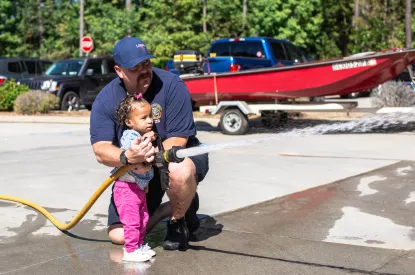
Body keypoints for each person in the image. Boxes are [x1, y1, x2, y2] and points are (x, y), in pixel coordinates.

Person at [90, 36, 209, 251]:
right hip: (137, 169)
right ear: (119, 71)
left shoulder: (172, 85)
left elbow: (177, 141)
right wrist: (127, 157)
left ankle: (177, 221)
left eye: (146, 63)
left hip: (177, 157)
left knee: (178, 172)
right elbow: (101, 150)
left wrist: (150, 153)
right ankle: (170, 208)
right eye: (135, 67)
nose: (144, 69)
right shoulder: (106, 99)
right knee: (120, 236)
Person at [111, 93, 156, 262]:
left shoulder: (141, 135)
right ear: (129, 122)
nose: (150, 120)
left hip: (137, 188)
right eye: (144, 117)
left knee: (143, 218)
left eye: (150, 116)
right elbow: (131, 151)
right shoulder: (130, 136)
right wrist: (145, 140)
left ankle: (138, 245)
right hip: (126, 189)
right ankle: (130, 251)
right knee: (132, 221)